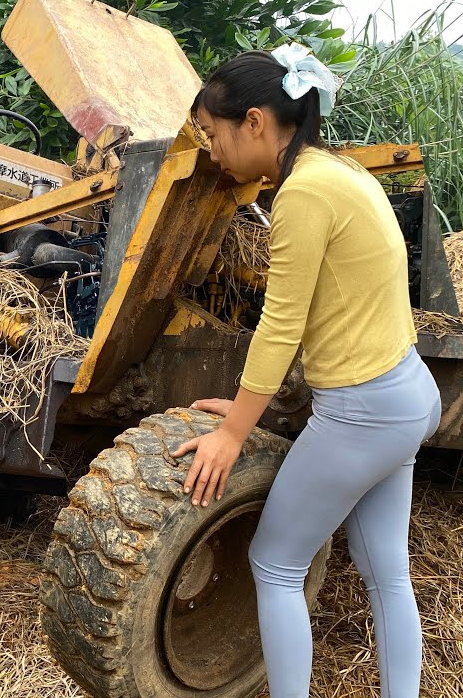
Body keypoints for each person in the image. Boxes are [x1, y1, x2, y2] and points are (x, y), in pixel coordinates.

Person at [176, 44, 441, 698]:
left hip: (364, 413)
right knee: (388, 576)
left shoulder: (303, 195)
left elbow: (281, 326)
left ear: (257, 123)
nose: (214, 152)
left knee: (274, 563)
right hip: (407, 396)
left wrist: (234, 431)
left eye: (214, 135)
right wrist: (244, 411)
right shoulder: (343, 173)